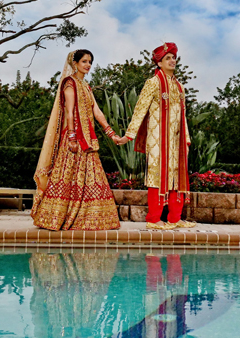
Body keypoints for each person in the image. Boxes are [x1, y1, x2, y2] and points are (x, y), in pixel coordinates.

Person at [31, 49, 121, 231]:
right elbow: (70, 111)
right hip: (74, 139)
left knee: (93, 178)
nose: (88, 65)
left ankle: (92, 218)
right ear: (75, 63)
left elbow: (96, 111)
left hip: (88, 139)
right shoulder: (69, 83)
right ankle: (57, 216)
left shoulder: (86, 86)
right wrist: (72, 137)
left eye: (90, 62)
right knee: (68, 177)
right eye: (84, 61)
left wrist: (111, 134)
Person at [118, 43, 196, 230]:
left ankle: (174, 218)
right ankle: (154, 219)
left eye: (173, 57)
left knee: (177, 176)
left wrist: (186, 137)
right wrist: (129, 135)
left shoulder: (179, 87)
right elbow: (140, 110)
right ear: (159, 63)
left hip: (177, 140)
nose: (172, 60)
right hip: (158, 140)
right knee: (156, 176)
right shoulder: (152, 83)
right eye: (167, 58)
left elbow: (182, 114)